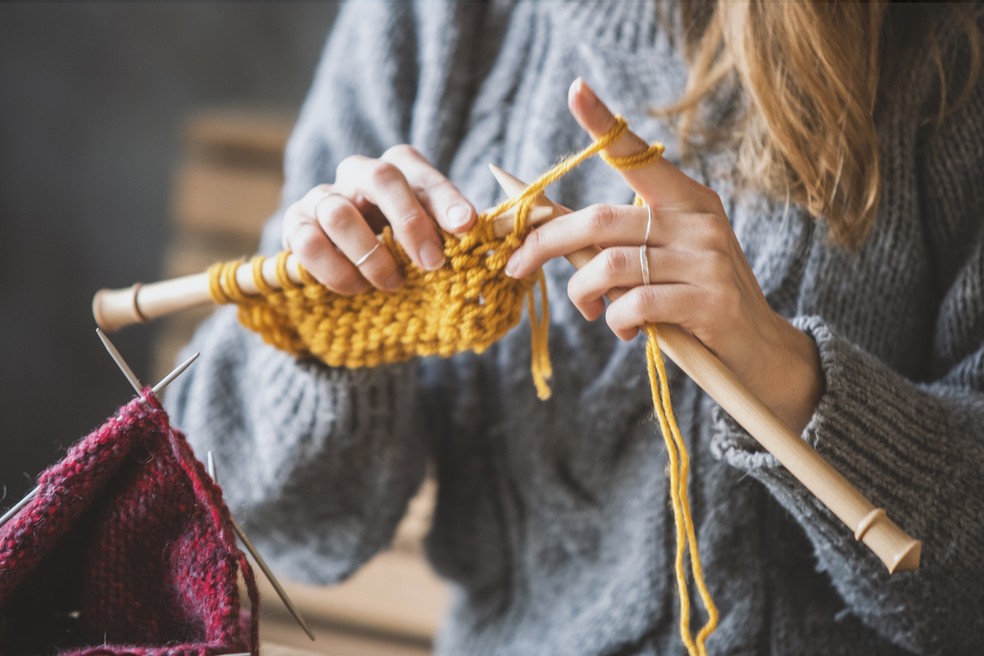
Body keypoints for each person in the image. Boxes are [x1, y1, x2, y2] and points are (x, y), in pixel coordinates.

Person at [166, 2, 984, 653]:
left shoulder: (948, 52)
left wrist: (790, 378)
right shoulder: (435, 18)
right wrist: (331, 326)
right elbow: (263, 519)